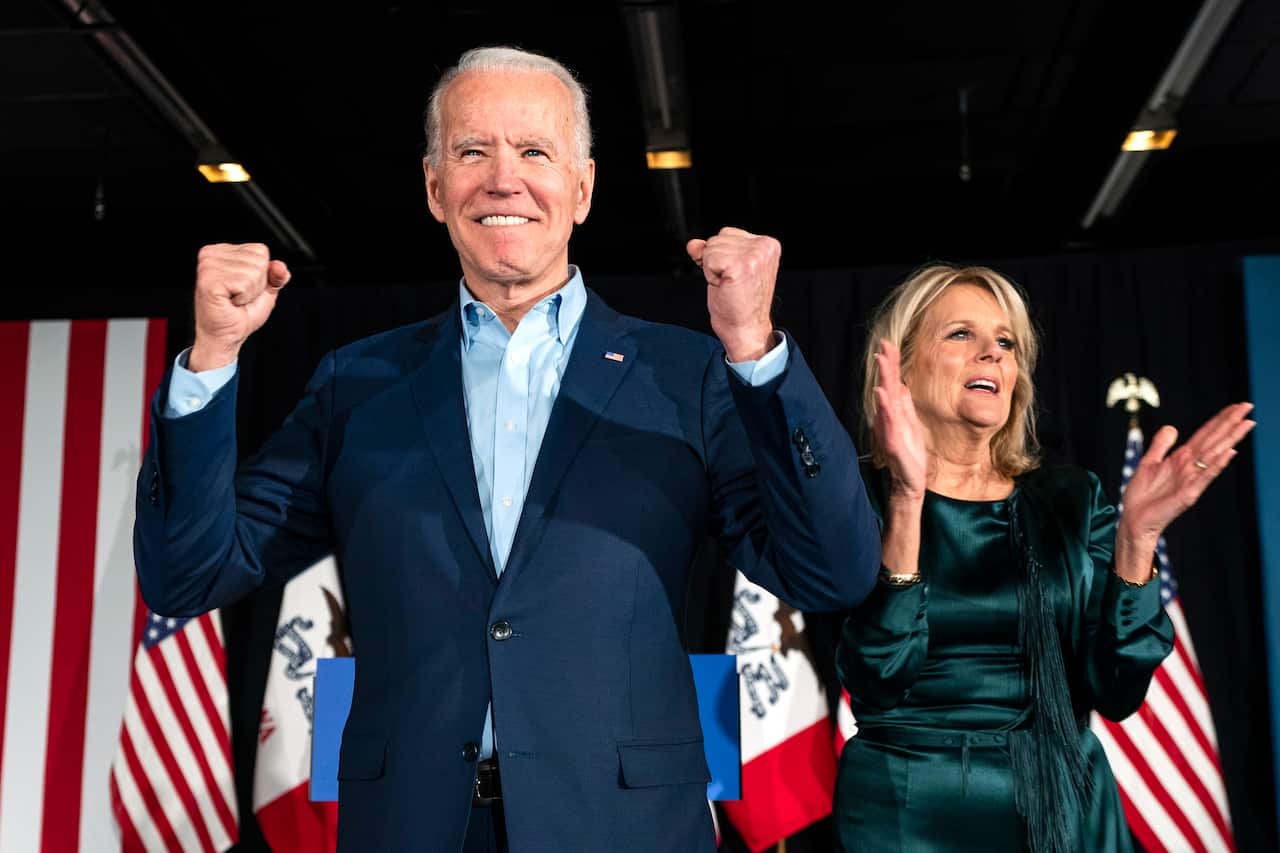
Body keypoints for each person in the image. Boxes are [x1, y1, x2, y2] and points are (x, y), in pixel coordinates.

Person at [133, 47, 881, 853]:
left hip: (621, 829)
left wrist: (757, 350)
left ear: (584, 187)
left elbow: (831, 568)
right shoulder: (358, 384)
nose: (502, 179)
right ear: (433, 187)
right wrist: (211, 359)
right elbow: (188, 571)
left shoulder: (686, 375)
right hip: (411, 830)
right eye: (471, 151)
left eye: (533, 151)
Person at [832, 264, 1254, 852]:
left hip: (1064, 808)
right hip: (909, 811)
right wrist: (907, 496)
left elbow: (1117, 690)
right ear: (900, 366)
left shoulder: (1071, 500)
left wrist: (1137, 538)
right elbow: (878, 677)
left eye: (1005, 343)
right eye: (961, 335)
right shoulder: (855, 500)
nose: (992, 355)